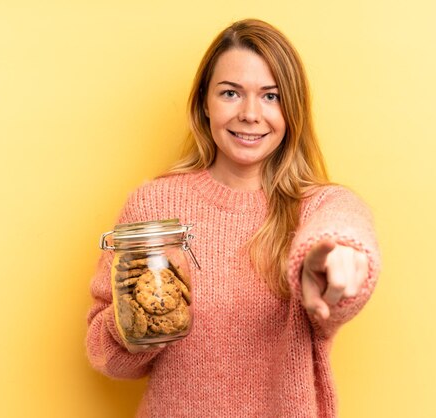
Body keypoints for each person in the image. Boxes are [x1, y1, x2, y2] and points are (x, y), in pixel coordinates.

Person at [86, 18, 381, 418]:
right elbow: (109, 359)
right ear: (204, 104)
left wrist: (334, 258)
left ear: (292, 110)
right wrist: (137, 332)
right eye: (230, 93)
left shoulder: (315, 208)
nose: (250, 114)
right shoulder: (154, 207)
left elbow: (344, 223)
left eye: (271, 96)